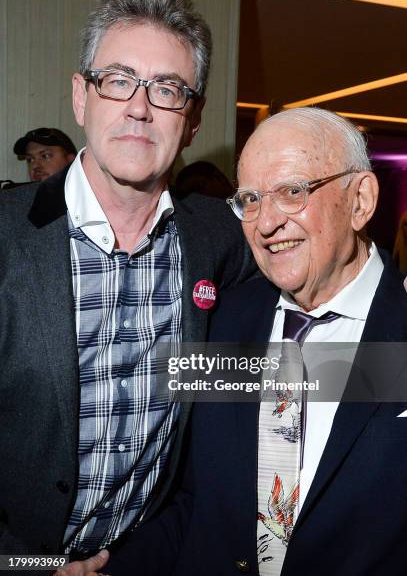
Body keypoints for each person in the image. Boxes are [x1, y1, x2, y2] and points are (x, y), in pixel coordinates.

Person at [87, 107, 407, 576]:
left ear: (360, 200)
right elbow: (196, 499)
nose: (265, 223)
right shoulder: (224, 322)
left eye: (293, 192)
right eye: (250, 200)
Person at [0, 0, 255, 565]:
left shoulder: (217, 237)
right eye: (118, 79)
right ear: (81, 98)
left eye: (168, 89)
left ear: (192, 120)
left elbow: (308, 340)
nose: (139, 107)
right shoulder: (6, 237)